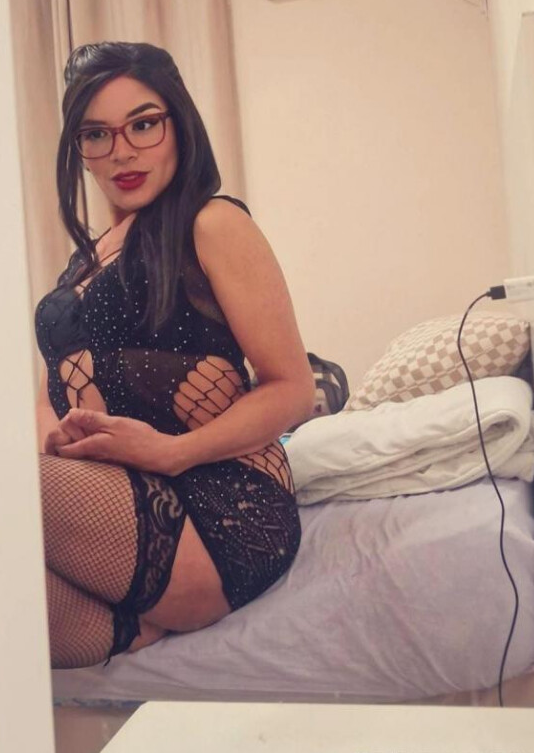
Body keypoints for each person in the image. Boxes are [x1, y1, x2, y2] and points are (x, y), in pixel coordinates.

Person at [35, 42, 315, 669]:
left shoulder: (211, 223)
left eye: (143, 124)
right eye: (96, 134)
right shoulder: (87, 257)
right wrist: (52, 441)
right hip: (119, 496)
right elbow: (50, 388)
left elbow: (292, 388)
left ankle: (148, 615)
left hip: (219, 506)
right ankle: (138, 630)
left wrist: (170, 451)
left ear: (179, 123)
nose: (122, 151)